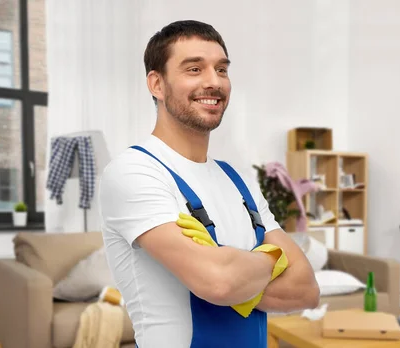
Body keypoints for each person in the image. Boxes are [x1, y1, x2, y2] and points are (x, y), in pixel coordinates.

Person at [99, 20, 319, 348]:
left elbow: (307, 290)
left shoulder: (239, 180)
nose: (213, 82)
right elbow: (218, 282)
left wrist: (230, 269)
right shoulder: (134, 172)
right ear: (157, 84)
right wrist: (274, 257)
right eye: (194, 69)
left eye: (221, 69)